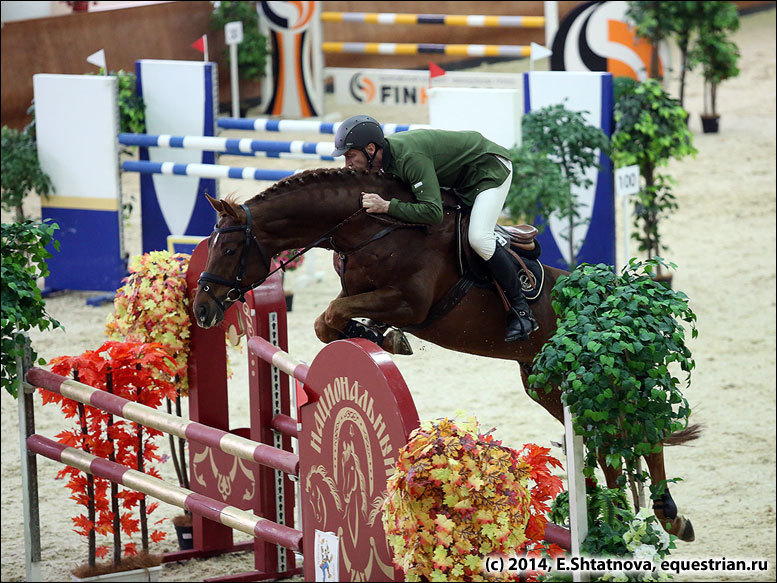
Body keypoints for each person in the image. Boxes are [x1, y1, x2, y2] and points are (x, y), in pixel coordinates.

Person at [331, 114, 538, 342]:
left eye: (350, 156)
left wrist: (387, 206)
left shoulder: (409, 158)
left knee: (479, 238)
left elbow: (432, 212)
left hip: (488, 170)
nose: (347, 164)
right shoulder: (385, 163)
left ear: (370, 149)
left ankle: (521, 312)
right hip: (460, 178)